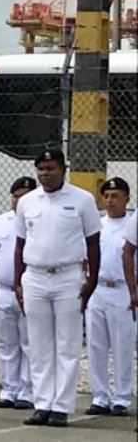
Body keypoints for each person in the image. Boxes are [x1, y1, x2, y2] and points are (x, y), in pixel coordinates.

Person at [14, 149, 101, 428]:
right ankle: (42, 404)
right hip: (35, 277)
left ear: (63, 169)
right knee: (39, 345)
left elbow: (93, 244)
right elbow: (19, 244)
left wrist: (91, 282)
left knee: (67, 344)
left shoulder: (82, 200)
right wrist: (18, 281)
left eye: (50, 168)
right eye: (40, 168)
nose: (45, 174)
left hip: (68, 277)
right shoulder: (27, 201)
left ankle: (61, 406)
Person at [0, 176, 37, 410]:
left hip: (29, 290)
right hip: (3, 290)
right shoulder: (0, 221)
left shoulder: (38, 221)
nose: (18, 200)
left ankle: (27, 391)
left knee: (29, 343)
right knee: (5, 343)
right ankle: (8, 389)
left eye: (23, 196)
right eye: (15, 196)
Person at [85, 177, 135, 417]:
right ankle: (100, 396)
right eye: (106, 196)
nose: (110, 200)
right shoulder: (97, 225)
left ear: (127, 198)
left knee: (122, 345)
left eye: (115, 196)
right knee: (96, 345)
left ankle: (122, 398)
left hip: (123, 289)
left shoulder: (132, 225)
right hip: (97, 289)